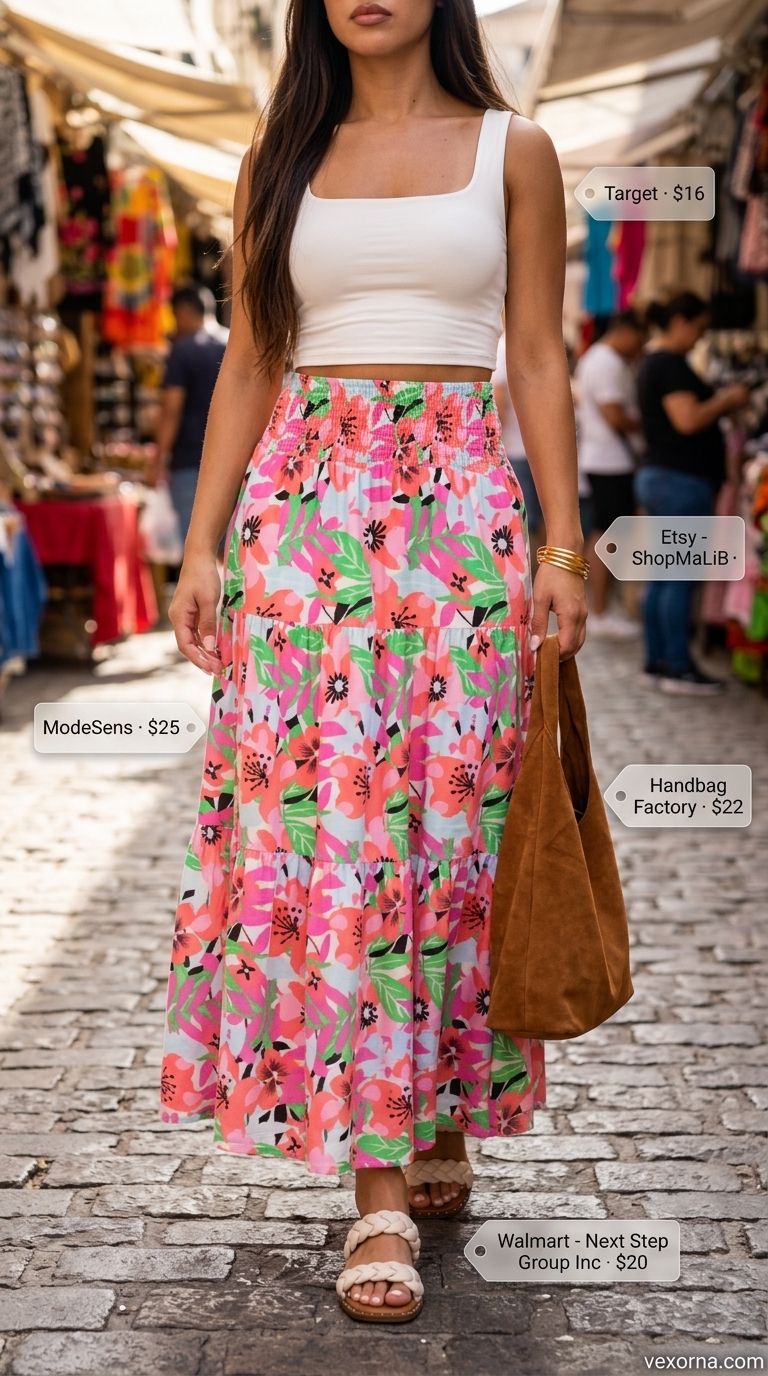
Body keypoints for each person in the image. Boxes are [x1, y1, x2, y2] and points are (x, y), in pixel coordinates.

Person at [160, 0, 587, 1323]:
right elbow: (252, 356)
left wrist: (564, 544)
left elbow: (536, 356)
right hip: (305, 526)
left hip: (461, 518)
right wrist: (202, 544)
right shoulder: (278, 154)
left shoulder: (516, 149)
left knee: (456, 832)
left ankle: (440, 1099)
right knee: (337, 835)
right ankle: (379, 1187)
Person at [636, 293, 749, 695]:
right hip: (680, 481)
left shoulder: (654, 362)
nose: (700, 338)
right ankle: (677, 666)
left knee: (664, 574)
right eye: (699, 329)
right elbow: (687, 420)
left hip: (664, 478)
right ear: (681, 322)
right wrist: (727, 400)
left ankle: (658, 661)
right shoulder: (670, 364)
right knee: (678, 576)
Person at [575, 309, 647, 638]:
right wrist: (647, 425)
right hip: (609, 461)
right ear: (627, 331)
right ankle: (601, 611)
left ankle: (603, 608)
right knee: (606, 536)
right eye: (640, 339)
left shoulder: (599, 358)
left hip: (607, 460)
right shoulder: (606, 362)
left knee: (605, 534)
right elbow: (613, 414)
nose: (640, 347)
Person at [154, 286, 226, 543]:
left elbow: (171, 410)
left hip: (189, 461)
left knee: (196, 545)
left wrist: (158, 459)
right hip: (233, 461)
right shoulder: (232, 343)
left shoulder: (183, 349)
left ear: (183, 312)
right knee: (229, 547)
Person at [493, 332, 544, 547]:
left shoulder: (501, 348)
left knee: (525, 523)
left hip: (514, 448)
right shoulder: (526, 347)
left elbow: (498, 399)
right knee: (538, 522)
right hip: (531, 447)